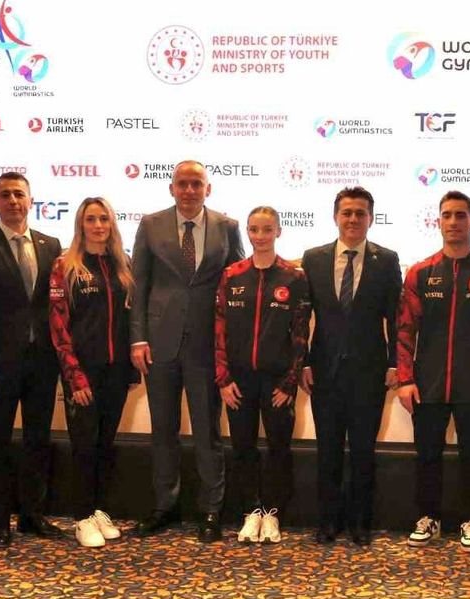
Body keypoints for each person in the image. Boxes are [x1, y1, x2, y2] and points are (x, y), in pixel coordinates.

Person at [129, 161, 244, 543]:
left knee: (208, 432)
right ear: (171, 188)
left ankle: (211, 510)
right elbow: (139, 285)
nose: (189, 190)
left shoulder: (228, 227)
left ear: (208, 189)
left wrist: (231, 346)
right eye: (183, 183)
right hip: (159, 345)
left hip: (206, 348)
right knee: (163, 430)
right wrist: (138, 339)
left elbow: (237, 286)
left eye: (197, 184)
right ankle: (165, 506)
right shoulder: (150, 224)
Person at [396, 191, 470, 552]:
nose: (454, 222)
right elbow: (405, 330)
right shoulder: (420, 272)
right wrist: (405, 379)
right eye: (447, 215)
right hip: (427, 383)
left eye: (461, 215)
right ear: (438, 221)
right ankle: (428, 516)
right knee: (427, 454)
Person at [0, 171, 63, 547]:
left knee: (38, 440)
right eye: (5, 195)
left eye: (19, 194)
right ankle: (0, 521)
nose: (13, 201)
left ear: (31, 200)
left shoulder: (51, 245)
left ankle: (32, 516)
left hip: (43, 364)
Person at [300, 187, 402, 545]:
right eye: (347, 212)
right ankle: (328, 522)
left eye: (360, 213)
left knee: (362, 452)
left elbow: (396, 318)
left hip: (369, 372)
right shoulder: (313, 259)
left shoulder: (386, 260)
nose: (353, 219)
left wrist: (396, 363)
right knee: (327, 450)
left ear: (370, 218)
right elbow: (301, 317)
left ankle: (360, 524)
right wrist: (303, 362)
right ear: (335, 217)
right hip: (324, 372)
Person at [214, 207, 311, 544]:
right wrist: (223, 379)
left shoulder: (294, 278)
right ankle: (250, 512)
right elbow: (219, 330)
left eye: (267, 229)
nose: (260, 236)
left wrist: (290, 383)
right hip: (238, 381)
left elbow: (301, 335)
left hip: (277, 382)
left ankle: (272, 513)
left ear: (278, 232)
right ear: (247, 232)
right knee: (242, 447)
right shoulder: (232, 275)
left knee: (278, 448)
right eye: (254, 229)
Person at [49, 197, 136, 548]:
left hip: (116, 371)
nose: (98, 225)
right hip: (82, 372)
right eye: (91, 219)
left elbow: (130, 320)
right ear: (80, 224)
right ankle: (82, 516)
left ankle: (99, 510)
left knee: (105, 443)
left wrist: (129, 370)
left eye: (104, 219)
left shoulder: (123, 265)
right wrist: (74, 375)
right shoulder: (65, 265)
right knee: (83, 445)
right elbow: (58, 325)